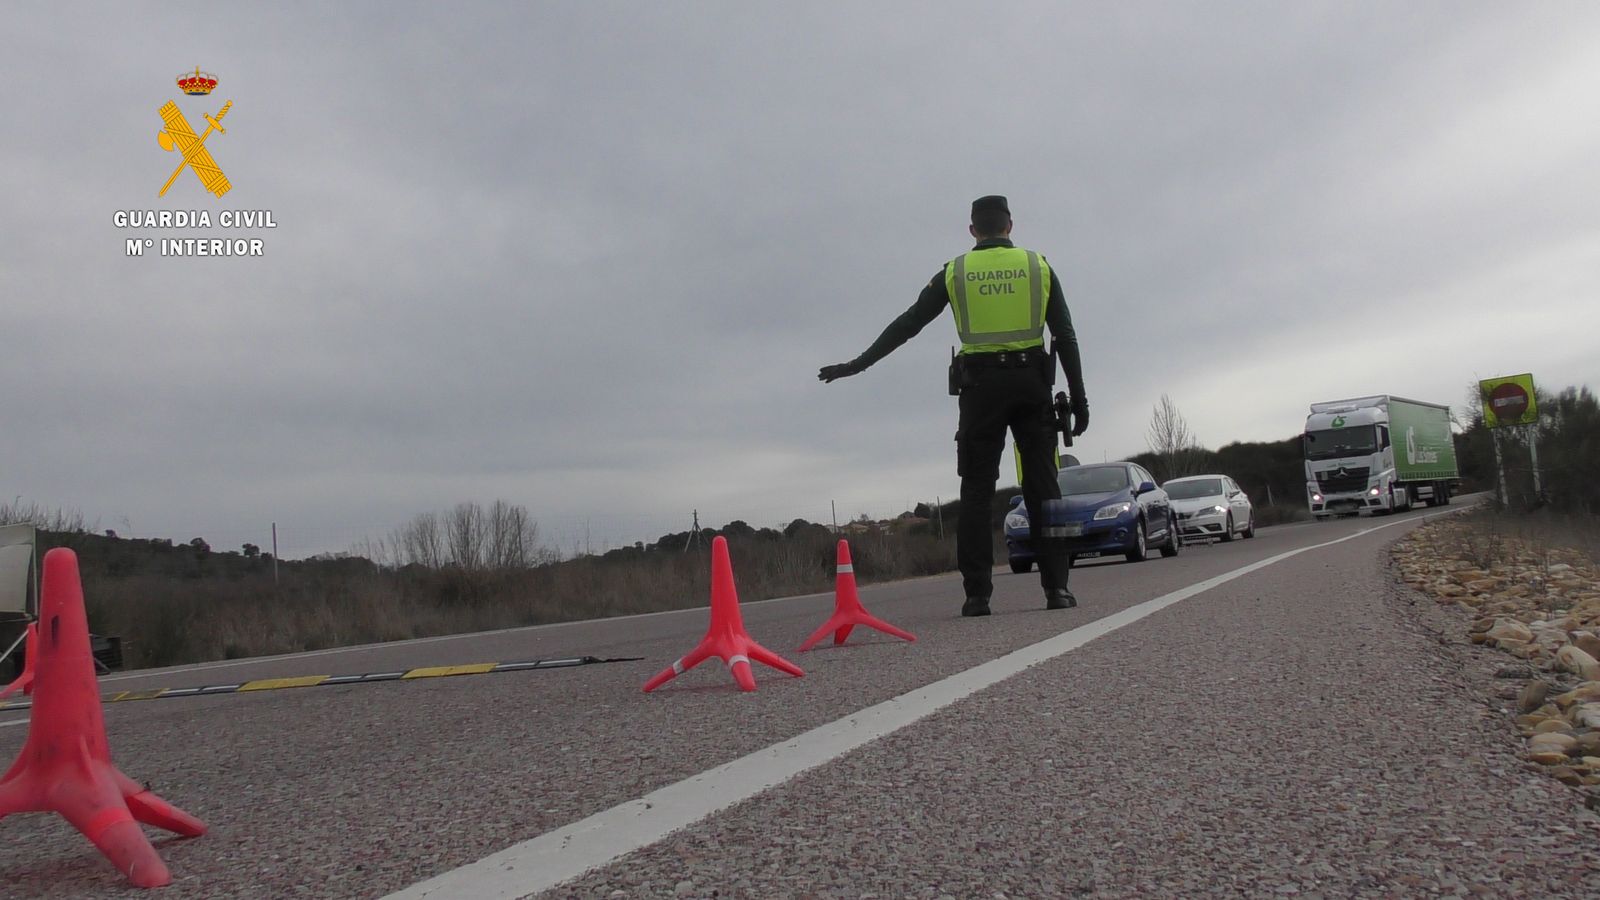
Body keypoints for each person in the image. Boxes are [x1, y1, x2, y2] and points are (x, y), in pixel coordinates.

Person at [818, 195, 1089, 617]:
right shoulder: (1038, 266)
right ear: (1010, 226)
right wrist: (1079, 397)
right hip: (1031, 383)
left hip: (980, 389)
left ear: (973, 230)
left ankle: (977, 596)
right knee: (1045, 491)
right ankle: (1058, 589)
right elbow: (1065, 336)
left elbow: (908, 323)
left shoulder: (956, 271)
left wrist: (858, 364)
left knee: (976, 492)